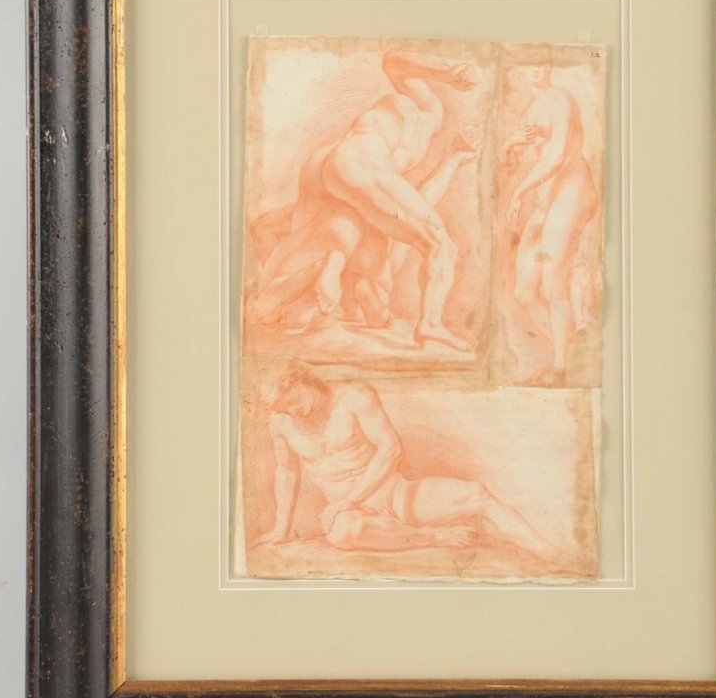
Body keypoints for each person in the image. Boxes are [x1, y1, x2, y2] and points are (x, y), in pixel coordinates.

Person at [246, 50, 480, 351]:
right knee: (441, 245)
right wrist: (448, 71)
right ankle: (431, 325)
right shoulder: (427, 109)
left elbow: (415, 204)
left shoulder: (397, 134)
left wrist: (454, 158)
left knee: (294, 231)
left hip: (325, 167)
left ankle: (296, 293)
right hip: (356, 163)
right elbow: (393, 61)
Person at [254, 365, 562, 565]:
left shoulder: (354, 396)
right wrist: (282, 527)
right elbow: (287, 472)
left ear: (301, 380)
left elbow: (390, 449)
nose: (294, 412)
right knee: (345, 532)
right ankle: (431, 536)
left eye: (293, 401)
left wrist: (352, 497)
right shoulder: (281, 423)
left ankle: (552, 554)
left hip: (395, 494)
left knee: (476, 494)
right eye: (284, 409)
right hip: (352, 514)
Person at [503, 62, 599, 385]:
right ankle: (568, 355)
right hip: (547, 196)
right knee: (524, 291)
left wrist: (519, 192)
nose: (536, 70)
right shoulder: (530, 111)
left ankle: (559, 367)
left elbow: (556, 156)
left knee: (553, 283)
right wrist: (510, 143)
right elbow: (512, 162)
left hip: (572, 189)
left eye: (542, 63)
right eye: (529, 63)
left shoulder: (560, 99)